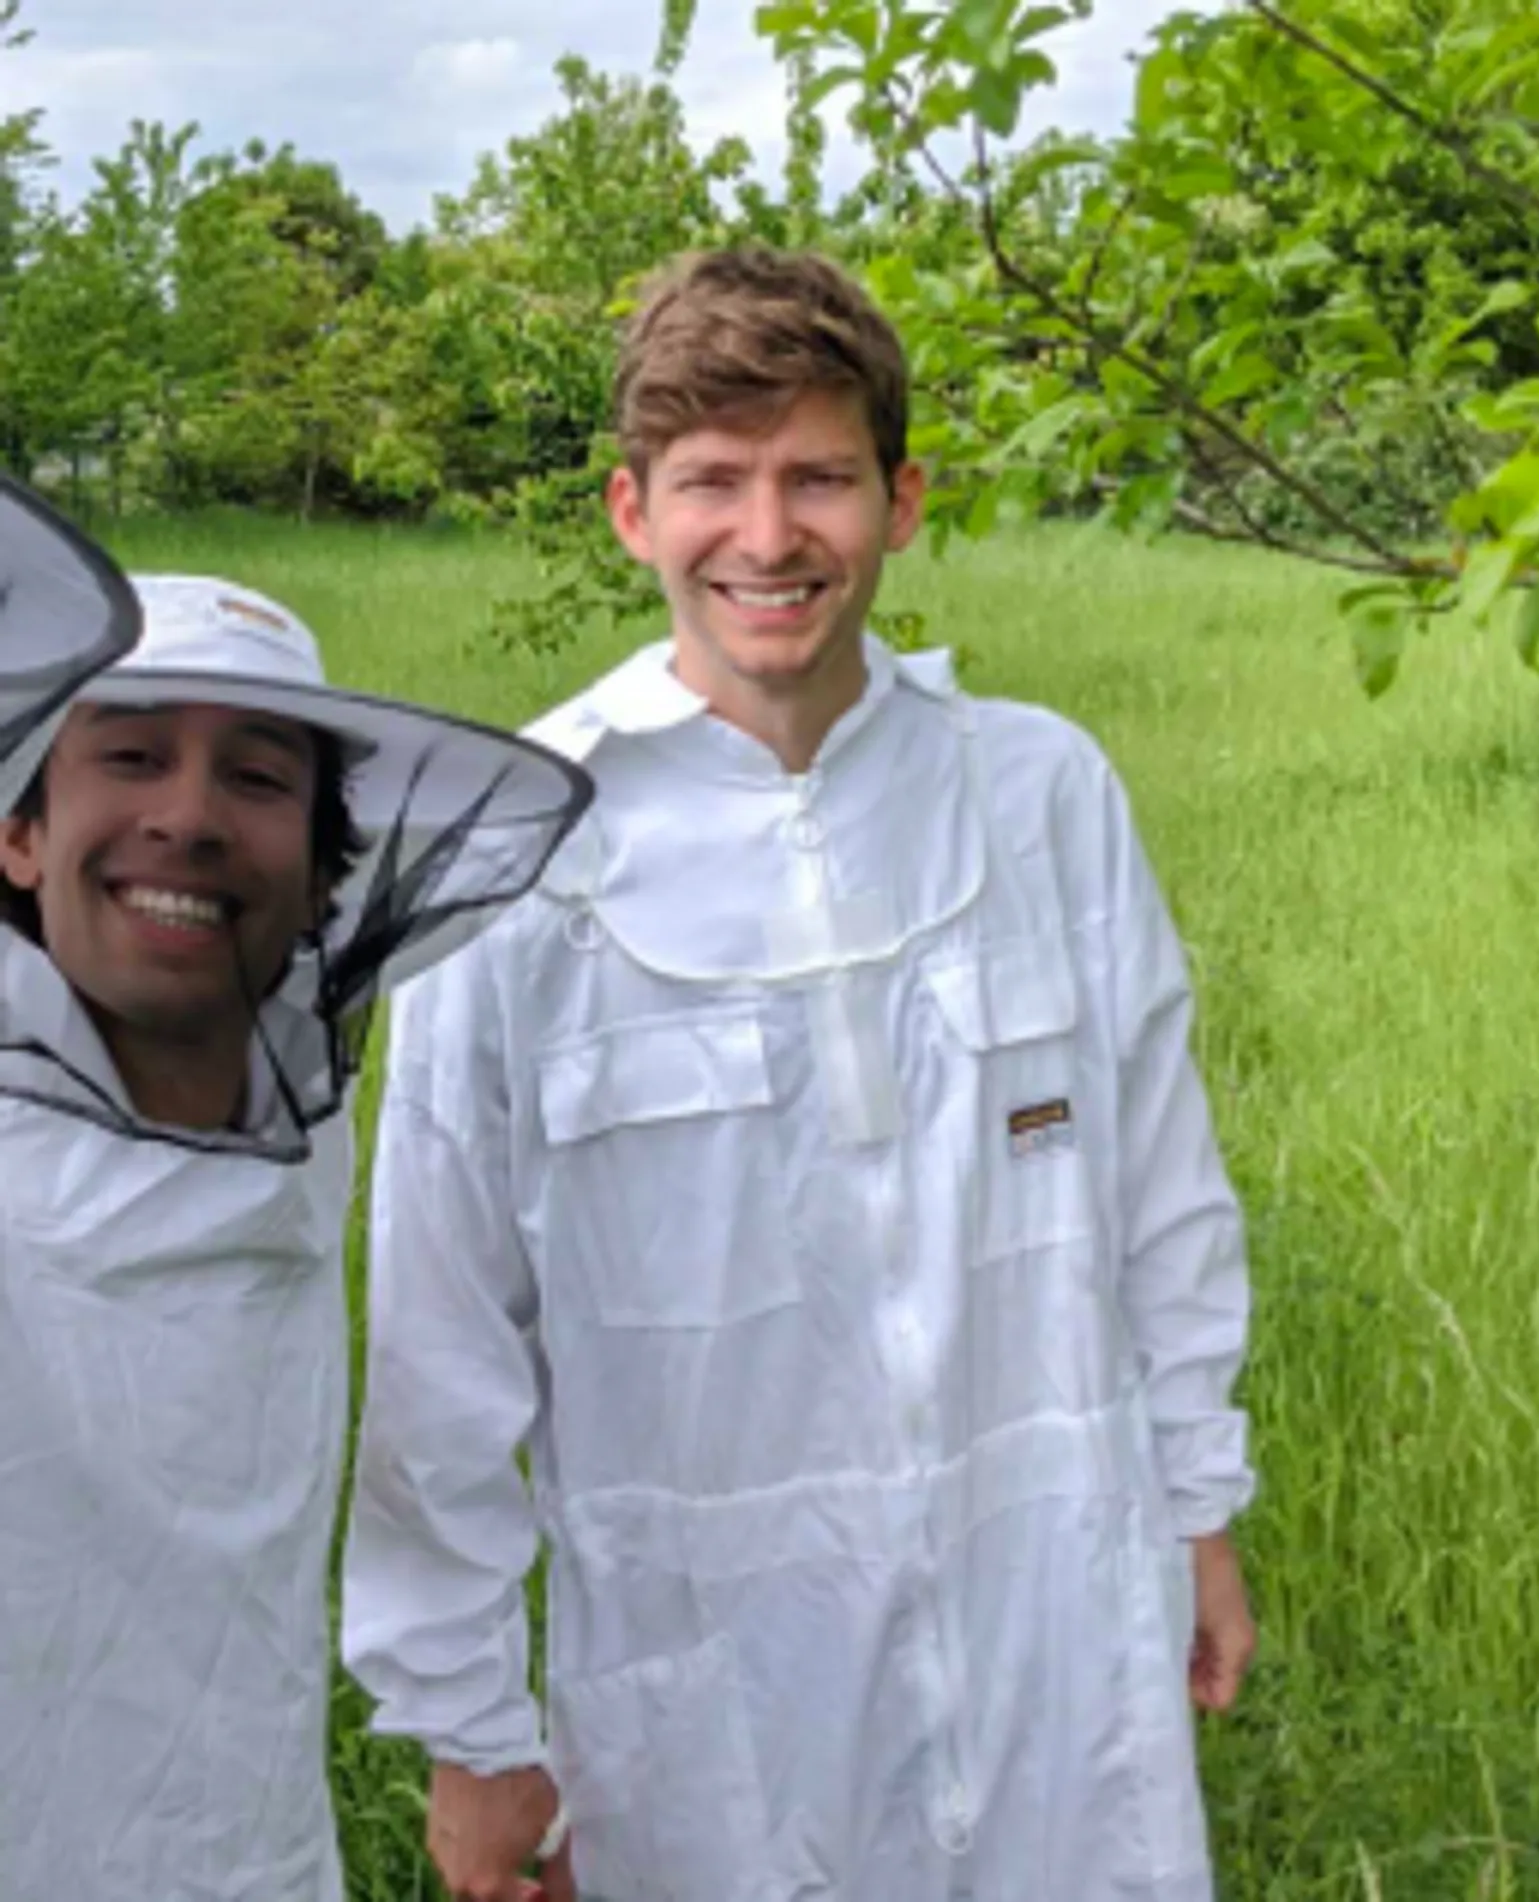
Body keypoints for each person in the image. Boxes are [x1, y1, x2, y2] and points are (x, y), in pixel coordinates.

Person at [344, 246, 1257, 1902]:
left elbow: (1161, 1199)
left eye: (818, 478)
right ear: (632, 511)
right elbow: (443, 1336)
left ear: (902, 499)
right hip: (711, 1699)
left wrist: (1196, 1505)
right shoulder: (513, 850)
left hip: (1047, 1612)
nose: (768, 540)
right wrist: (469, 1726)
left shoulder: (1041, 795)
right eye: (714, 483)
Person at [0, 474, 592, 1902]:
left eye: (259, 778)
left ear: (328, 877)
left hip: (247, 1843)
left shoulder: (296, 1110)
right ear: (16, 833)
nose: (190, 820)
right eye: (130, 757)